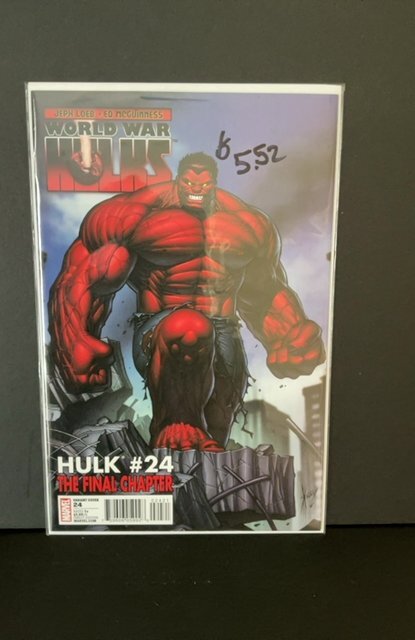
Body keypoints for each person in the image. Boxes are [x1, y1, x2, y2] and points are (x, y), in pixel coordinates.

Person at [49, 152, 325, 451]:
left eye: (204, 184)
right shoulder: (133, 215)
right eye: (190, 182)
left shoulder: (248, 225)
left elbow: (265, 290)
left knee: (213, 437)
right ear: (179, 180)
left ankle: (196, 465)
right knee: (189, 328)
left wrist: (288, 335)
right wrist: (73, 338)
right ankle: (174, 424)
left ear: (213, 183)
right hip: (162, 331)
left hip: (225, 332)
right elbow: (84, 273)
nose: (197, 189)